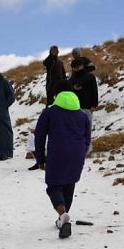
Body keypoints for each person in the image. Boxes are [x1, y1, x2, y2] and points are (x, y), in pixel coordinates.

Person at [33, 82, 91, 239]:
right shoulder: (82, 114)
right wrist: (81, 152)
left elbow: (39, 135)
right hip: (78, 153)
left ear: (56, 95)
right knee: (69, 184)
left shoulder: (50, 112)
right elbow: (87, 138)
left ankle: (64, 215)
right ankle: (63, 218)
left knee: (53, 186)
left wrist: (40, 158)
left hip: (58, 152)